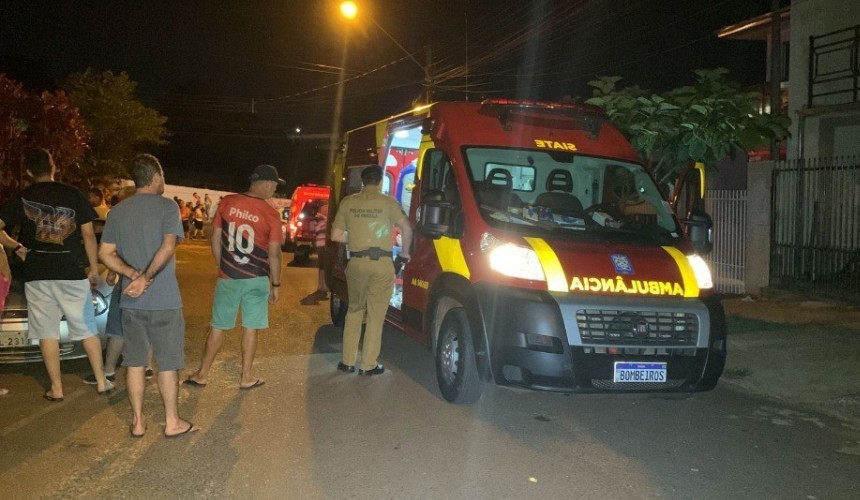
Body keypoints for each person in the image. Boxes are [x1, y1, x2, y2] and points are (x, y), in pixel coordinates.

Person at [0, 148, 113, 400]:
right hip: (71, 270)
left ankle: (57, 388)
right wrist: (93, 268)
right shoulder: (73, 195)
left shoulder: (23, 197)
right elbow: (87, 235)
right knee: (86, 327)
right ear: (53, 167)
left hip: (38, 272)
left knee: (47, 331)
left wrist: (17, 247)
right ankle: (102, 381)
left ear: (29, 172)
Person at [98, 153, 197, 438]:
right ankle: (171, 421)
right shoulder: (168, 208)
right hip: (164, 300)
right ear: (155, 177)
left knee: (135, 362)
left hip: (131, 300)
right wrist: (146, 278)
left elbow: (105, 254)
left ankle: (138, 422)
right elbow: (168, 248)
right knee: (167, 363)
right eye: (163, 176)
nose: (164, 181)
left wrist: (132, 275)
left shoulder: (117, 211)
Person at [184, 164, 283, 390]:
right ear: (267, 184)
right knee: (251, 327)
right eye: (275, 186)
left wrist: (223, 266)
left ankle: (202, 374)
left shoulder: (227, 203)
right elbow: (274, 254)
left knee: (218, 327)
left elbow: (215, 238)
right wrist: (275, 285)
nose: (274, 190)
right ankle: (246, 377)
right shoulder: (270, 214)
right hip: (257, 278)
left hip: (228, 276)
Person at [330, 166, 412, 376]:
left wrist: (356, 239)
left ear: (363, 181)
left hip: (356, 263)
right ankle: (368, 365)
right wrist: (404, 253)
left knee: (354, 311)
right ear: (380, 181)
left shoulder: (348, 202)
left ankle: (347, 362)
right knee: (376, 316)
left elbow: (336, 235)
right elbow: (407, 228)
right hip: (382, 264)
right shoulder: (388, 203)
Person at [312, 201, 330, 298]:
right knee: (323, 266)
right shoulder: (319, 217)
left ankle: (321, 285)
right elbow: (319, 229)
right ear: (322, 209)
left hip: (322, 243)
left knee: (322, 266)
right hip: (322, 243)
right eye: (326, 207)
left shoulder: (321, 218)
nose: (327, 209)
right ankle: (323, 285)